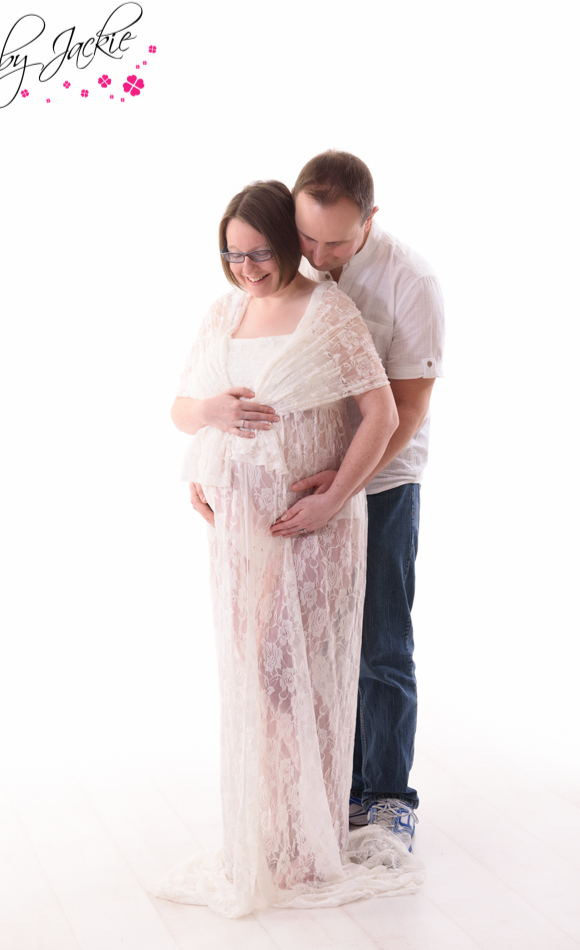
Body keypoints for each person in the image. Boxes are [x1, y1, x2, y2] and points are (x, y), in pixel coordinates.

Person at [155, 180, 423, 919]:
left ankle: (311, 838)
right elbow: (185, 408)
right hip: (240, 529)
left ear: (285, 238)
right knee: (254, 672)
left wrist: (334, 496)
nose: (246, 267)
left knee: (305, 667)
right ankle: (270, 830)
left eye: (260, 252)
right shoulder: (225, 311)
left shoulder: (328, 311)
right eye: (232, 254)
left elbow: (383, 410)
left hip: (312, 521)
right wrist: (207, 423)